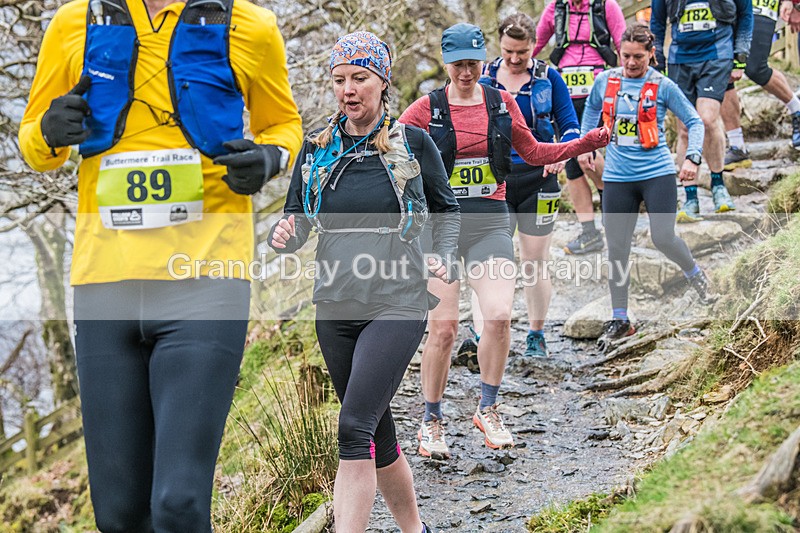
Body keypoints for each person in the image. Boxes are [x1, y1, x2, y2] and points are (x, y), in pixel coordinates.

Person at [18, 0, 302, 530]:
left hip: (206, 277)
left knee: (178, 503)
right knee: (120, 515)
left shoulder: (250, 25)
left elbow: (284, 125)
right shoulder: (74, 23)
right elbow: (34, 145)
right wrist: (48, 132)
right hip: (105, 282)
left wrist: (269, 159)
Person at [269, 31, 459, 532]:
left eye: (359, 78)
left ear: (382, 81)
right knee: (379, 431)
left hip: (396, 300)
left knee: (353, 428)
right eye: (339, 80)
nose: (348, 90)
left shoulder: (413, 143)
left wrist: (442, 254)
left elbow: (447, 210)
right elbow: (297, 222)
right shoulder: (316, 149)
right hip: (334, 304)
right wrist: (284, 233)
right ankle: (416, 530)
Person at [400, 22, 609, 460]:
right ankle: (431, 418)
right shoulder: (424, 110)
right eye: (458, 65)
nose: (466, 73)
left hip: (491, 222)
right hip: (440, 230)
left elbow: (534, 153)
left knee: (497, 317)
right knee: (443, 329)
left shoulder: (501, 102)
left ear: (482, 60)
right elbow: (390, 153)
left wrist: (584, 142)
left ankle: (488, 408)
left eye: (473, 64)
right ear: (446, 63)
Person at [577, 24, 718, 350]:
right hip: (617, 177)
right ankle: (621, 318)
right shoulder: (605, 80)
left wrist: (693, 159)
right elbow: (589, 113)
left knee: (663, 236)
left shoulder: (662, 85)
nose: (630, 63)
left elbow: (695, 121)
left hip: (657, 174)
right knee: (617, 247)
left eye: (638, 57)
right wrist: (586, 146)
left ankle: (696, 275)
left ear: (651, 54)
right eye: (625, 56)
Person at [475, 13, 582, 358]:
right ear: (499, 46)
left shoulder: (549, 78)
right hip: (495, 181)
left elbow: (570, 126)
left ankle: (536, 333)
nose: (515, 58)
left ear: (534, 45)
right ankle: (482, 335)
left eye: (522, 51)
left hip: (541, 180)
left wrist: (562, 154)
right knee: (490, 260)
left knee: (534, 261)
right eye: (508, 51)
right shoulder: (484, 78)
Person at [534, 0, 626, 254]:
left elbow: (623, 45)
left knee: (589, 158)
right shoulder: (555, 8)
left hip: (598, 93)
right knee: (572, 164)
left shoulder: (607, 6)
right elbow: (534, 43)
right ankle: (589, 233)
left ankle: (617, 210)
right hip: (564, 95)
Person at [651, 0, 753, 222]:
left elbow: (746, 14)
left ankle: (718, 184)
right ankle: (690, 197)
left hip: (717, 54)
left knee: (706, 120)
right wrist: (656, 59)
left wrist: (740, 57)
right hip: (680, 58)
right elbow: (656, 22)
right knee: (685, 128)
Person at [720, 0, 800, 170]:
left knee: (755, 67)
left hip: (761, 4)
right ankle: (737, 147)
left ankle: (797, 109)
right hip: (725, 5)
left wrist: (793, 3)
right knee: (724, 70)